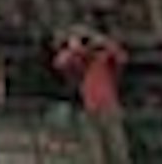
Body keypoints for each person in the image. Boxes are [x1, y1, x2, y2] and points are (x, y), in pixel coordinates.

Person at [50, 24, 130, 163]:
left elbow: (122, 58)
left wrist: (102, 43)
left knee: (118, 151)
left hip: (108, 106)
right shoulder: (77, 61)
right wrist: (75, 48)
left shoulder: (104, 59)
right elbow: (59, 63)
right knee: (94, 156)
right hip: (87, 109)